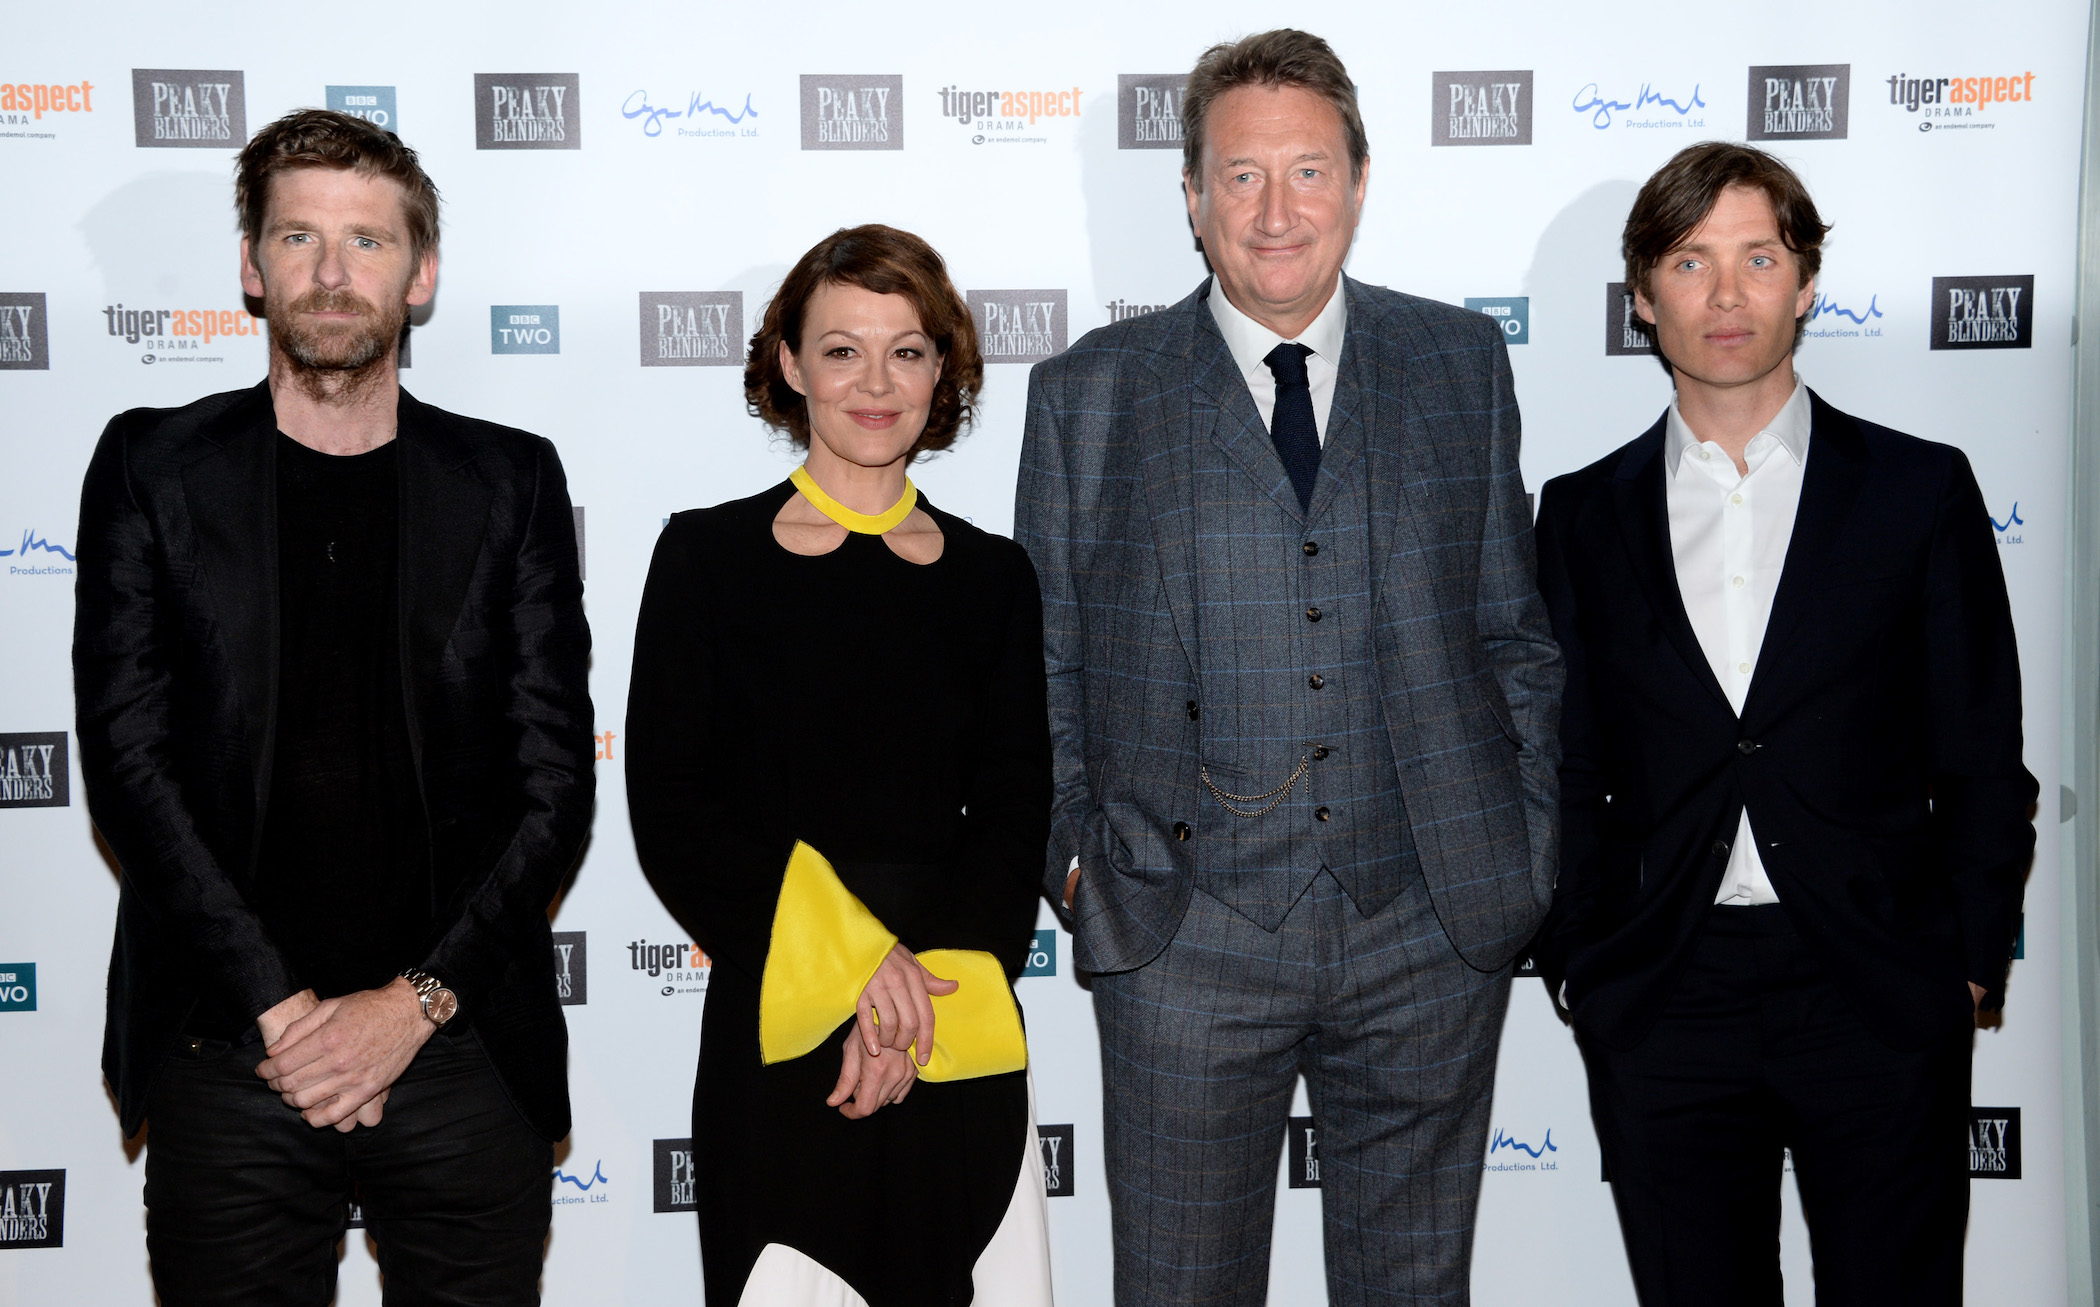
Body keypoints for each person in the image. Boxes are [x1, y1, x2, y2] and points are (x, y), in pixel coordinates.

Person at [1014, 30, 1563, 1306]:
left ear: (1359, 185)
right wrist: (1082, 867)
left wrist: (1521, 844)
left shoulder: (1459, 363)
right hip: (1183, 939)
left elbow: (1515, 635)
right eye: (1242, 175)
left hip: (1428, 926)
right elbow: (1044, 662)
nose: (1276, 211)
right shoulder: (1089, 394)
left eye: (1308, 171)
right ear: (1192, 196)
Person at [72, 109, 594, 1305]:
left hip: (461, 1043)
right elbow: (130, 765)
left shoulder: (510, 479)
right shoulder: (152, 468)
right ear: (252, 267)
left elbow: (555, 786)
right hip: (228, 1042)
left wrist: (409, 1008)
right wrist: (283, 1008)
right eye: (299, 236)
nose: (331, 270)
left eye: (368, 240)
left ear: (421, 275)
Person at [1530, 141, 2036, 1305]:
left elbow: (1977, 747)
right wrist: (1580, 960)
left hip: (1877, 983)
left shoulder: (1918, 490)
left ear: (1806, 283)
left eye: (1758, 257)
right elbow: (1565, 761)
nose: (1726, 293)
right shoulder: (1582, 514)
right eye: (1689, 261)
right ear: (1643, 296)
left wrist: (1967, 961)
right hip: (1665, 989)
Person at [625, 223, 1055, 1307]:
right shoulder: (705, 559)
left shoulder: (996, 578)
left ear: (942, 370)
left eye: (906, 351)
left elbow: (1015, 818)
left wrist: (914, 1010)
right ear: (789, 363)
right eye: (842, 350)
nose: (875, 382)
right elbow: (672, 810)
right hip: (781, 1030)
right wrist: (854, 970)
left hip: (955, 1033)